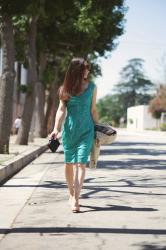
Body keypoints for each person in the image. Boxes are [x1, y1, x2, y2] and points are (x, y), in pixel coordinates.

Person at [50, 58, 98, 213]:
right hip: (70, 131)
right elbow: (61, 110)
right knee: (69, 163)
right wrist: (56, 128)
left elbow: (93, 110)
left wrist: (98, 128)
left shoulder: (92, 87)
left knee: (81, 163)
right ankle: (71, 194)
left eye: (88, 68)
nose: (88, 71)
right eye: (86, 68)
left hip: (87, 130)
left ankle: (76, 198)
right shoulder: (65, 89)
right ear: (77, 70)